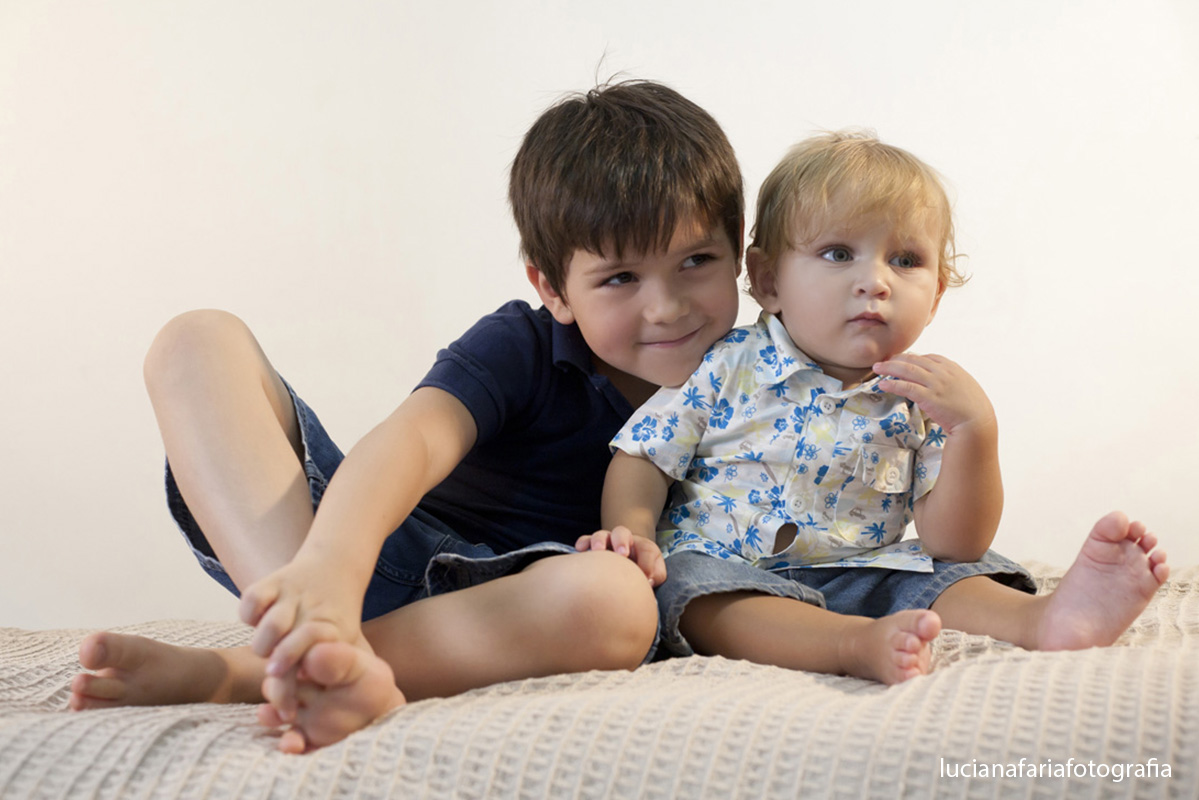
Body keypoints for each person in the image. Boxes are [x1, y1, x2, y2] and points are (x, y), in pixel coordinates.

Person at [68, 80, 745, 752]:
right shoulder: (527, 344)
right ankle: (310, 630)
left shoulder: (768, 383)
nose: (667, 308)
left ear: (742, 257)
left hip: (511, 609)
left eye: (696, 261)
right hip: (360, 550)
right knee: (197, 339)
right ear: (552, 288)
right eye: (620, 278)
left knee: (620, 601)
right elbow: (414, 442)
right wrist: (331, 567)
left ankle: (257, 671)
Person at [580, 131, 1169, 684]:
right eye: (838, 254)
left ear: (936, 295)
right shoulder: (726, 363)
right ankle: (849, 645)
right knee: (694, 592)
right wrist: (632, 534)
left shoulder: (921, 396)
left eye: (906, 260)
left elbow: (951, 543)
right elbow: (644, 457)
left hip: (865, 568)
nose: (876, 281)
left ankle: (1042, 621)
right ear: (767, 281)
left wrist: (974, 431)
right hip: (729, 565)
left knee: (954, 573)